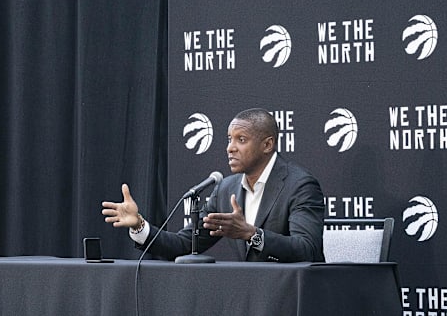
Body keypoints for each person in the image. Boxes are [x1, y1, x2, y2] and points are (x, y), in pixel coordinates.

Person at [101, 108, 325, 262]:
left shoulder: (300, 186)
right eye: (229, 139)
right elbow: (185, 245)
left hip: (295, 299)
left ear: (267, 144)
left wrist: (251, 233)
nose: (230, 148)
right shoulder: (226, 189)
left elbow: (307, 250)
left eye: (241, 140)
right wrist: (140, 226)